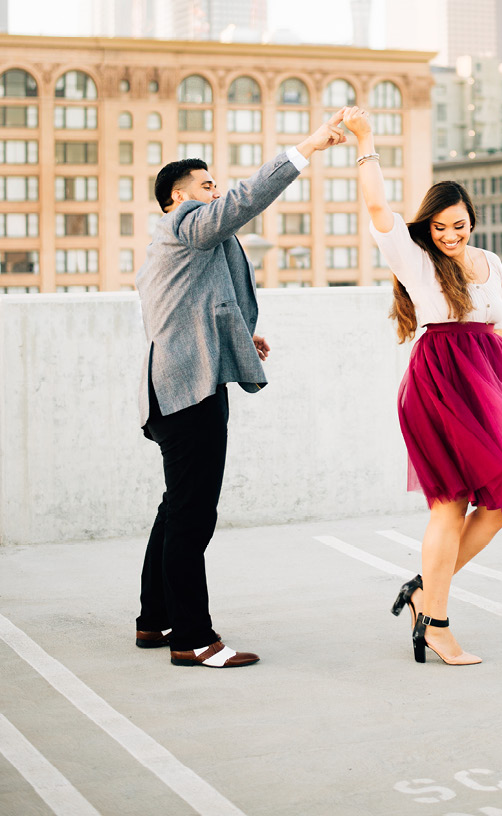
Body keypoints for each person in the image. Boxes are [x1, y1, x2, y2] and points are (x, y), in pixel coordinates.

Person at [342, 106, 502, 667]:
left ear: (473, 220)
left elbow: (498, 324)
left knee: (499, 501)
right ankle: (436, 623)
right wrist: (365, 141)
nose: (448, 235)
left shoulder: (490, 261)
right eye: (438, 226)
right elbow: (375, 205)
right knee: (450, 504)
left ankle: (423, 592)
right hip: (441, 382)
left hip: (490, 381)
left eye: (457, 224)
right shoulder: (415, 260)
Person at [135, 112, 346, 668]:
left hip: (173, 387)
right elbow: (243, 202)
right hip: (189, 393)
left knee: (175, 507)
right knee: (193, 516)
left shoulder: (180, 246)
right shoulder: (185, 224)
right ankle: (193, 638)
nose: (217, 192)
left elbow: (187, 308)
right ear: (174, 199)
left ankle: (153, 620)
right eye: (205, 186)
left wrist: (239, 339)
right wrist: (309, 146)